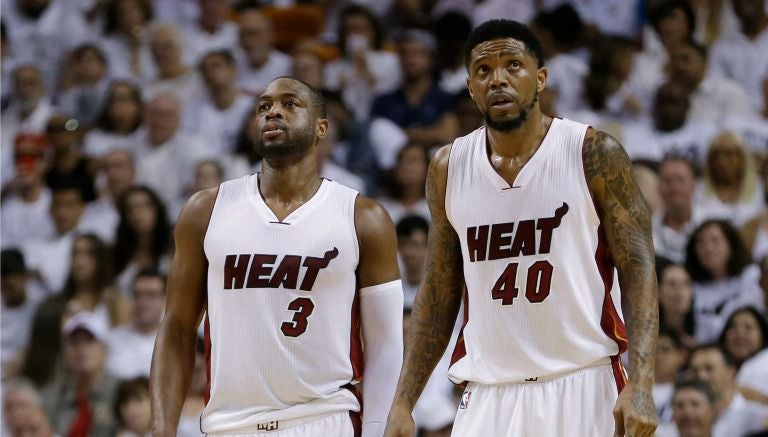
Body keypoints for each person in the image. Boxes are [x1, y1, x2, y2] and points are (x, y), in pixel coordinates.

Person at [385, 20, 659, 437]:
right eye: (483, 71)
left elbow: (638, 269)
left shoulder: (592, 152)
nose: (498, 79)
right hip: (490, 392)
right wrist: (404, 402)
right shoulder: (447, 168)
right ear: (470, 86)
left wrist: (641, 382)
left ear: (541, 77)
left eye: (513, 65)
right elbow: (440, 292)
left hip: (582, 382)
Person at [150, 77, 404, 436]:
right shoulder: (206, 211)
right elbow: (176, 328)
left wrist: (377, 429)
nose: (273, 113)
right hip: (230, 424)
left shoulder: (363, 217)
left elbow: (386, 342)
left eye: (289, 104)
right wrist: (161, 428)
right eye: (264, 107)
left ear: (321, 128)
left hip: (323, 420)